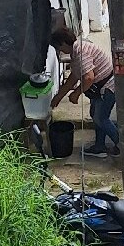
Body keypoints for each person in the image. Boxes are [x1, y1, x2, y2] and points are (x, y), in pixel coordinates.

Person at [50, 27, 118, 158]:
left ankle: (121, 145)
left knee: (101, 118)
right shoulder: (77, 51)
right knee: (96, 115)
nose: (60, 51)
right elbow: (73, 78)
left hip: (108, 86)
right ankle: (99, 146)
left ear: (63, 43)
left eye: (59, 47)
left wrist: (76, 93)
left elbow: (88, 78)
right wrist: (58, 97)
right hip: (100, 87)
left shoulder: (81, 52)